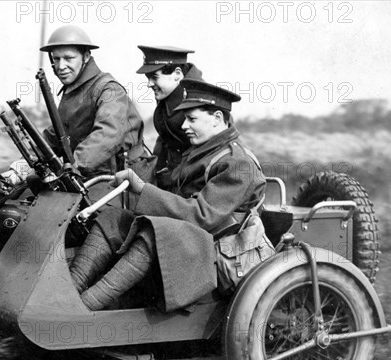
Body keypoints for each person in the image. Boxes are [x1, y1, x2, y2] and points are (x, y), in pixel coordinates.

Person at [69, 79, 275, 311]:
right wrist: (139, 183)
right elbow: (176, 196)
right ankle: (67, 294)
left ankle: (83, 308)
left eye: (192, 119)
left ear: (217, 118)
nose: (184, 125)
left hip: (219, 253)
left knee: (156, 232)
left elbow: (202, 216)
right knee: (112, 219)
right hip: (198, 242)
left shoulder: (237, 163)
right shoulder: (204, 153)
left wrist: (143, 190)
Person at [39, 25, 154, 180]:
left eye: (68, 58)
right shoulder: (73, 90)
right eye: (56, 59)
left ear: (86, 56)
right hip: (90, 173)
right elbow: (55, 136)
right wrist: (20, 168)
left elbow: (107, 135)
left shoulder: (109, 90)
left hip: (125, 178)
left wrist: (72, 166)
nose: (61, 66)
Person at [136, 45, 204, 189]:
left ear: (177, 74)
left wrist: (173, 178)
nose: (149, 84)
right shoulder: (168, 94)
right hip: (174, 177)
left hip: (197, 181)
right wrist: (153, 173)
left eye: (154, 77)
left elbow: (212, 148)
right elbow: (165, 137)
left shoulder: (201, 100)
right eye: (148, 78)